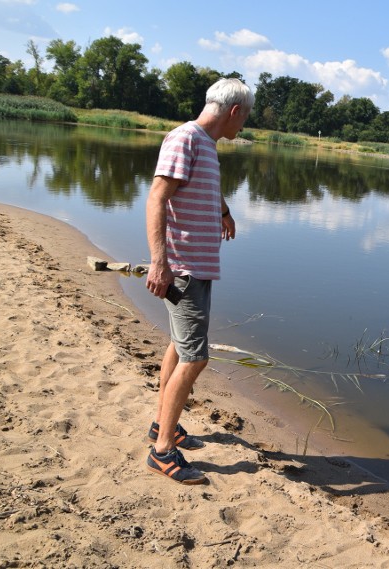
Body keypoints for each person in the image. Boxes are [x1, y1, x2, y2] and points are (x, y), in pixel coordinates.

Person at [144, 78, 254, 484]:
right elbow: (157, 196)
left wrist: (223, 211)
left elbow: (202, 187)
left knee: (179, 345)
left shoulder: (206, 145)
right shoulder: (185, 138)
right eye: (245, 118)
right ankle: (162, 453)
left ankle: (162, 427)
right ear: (233, 112)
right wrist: (160, 263)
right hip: (184, 268)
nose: (243, 126)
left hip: (198, 267)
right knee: (195, 357)